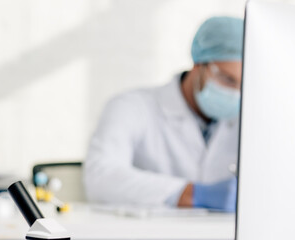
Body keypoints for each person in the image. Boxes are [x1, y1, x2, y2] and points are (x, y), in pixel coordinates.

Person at [83, 17, 243, 212]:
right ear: (198, 64)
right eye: (227, 79)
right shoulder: (132, 106)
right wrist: (191, 193)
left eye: (244, 85)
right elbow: (100, 177)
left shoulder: (248, 122)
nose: (235, 92)